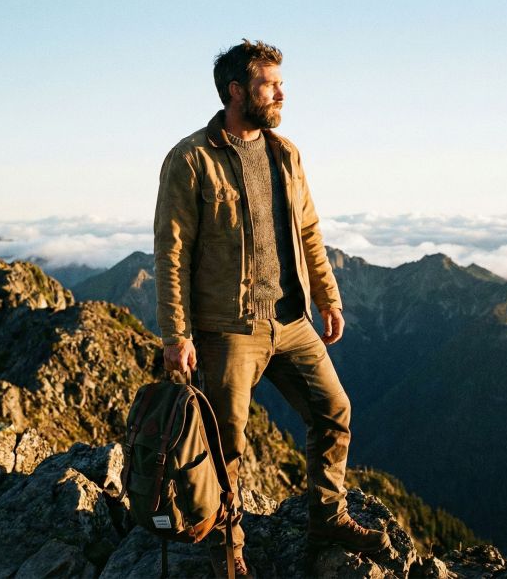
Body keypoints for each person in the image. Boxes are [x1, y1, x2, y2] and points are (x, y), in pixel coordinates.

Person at [153, 39, 390, 578]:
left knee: (334, 411)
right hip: (228, 329)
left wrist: (327, 297)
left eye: (280, 83)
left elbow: (308, 229)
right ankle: (228, 549)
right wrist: (175, 334)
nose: (281, 92)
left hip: (291, 320)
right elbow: (171, 251)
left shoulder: (286, 153)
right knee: (225, 445)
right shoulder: (191, 159)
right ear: (237, 91)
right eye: (269, 84)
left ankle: (327, 515)